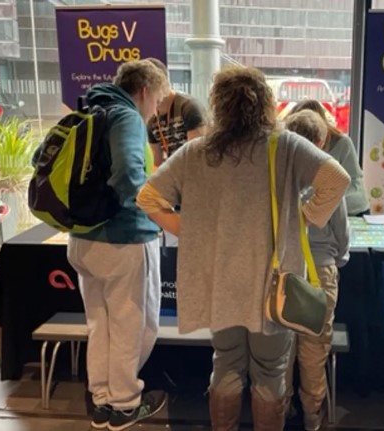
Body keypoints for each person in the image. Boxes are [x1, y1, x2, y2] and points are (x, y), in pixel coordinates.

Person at [136, 65, 350, 431]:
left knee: (226, 363)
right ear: (265, 103)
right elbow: (337, 179)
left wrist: (190, 229)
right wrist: (303, 218)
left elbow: (148, 197)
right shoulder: (285, 145)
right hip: (272, 284)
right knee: (270, 372)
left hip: (221, 284)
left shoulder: (197, 151)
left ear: (219, 105)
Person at [66, 60, 168, 431]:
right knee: (132, 325)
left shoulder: (87, 110)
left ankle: (102, 400)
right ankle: (125, 405)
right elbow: (128, 173)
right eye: (157, 100)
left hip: (81, 238)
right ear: (144, 91)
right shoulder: (125, 117)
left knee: (100, 323)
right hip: (122, 239)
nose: (156, 109)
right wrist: (155, 210)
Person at [283, 109, 350, 431]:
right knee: (314, 351)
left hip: (281, 273)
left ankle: (278, 414)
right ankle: (313, 419)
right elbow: (342, 235)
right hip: (319, 272)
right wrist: (337, 261)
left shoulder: (276, 177)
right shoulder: (329, 179)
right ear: (321, 141)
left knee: (280, 349)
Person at [287, 99, 368, 216]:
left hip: (350, 212)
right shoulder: (290, 146)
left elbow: (356, 188)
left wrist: (321, 199)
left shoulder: (342, 143)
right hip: (318, 212)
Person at [145, 58, 206, 166]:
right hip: (174, 174)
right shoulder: (151, 118)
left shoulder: (189, 107)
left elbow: (196, 155)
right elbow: (156, 162)